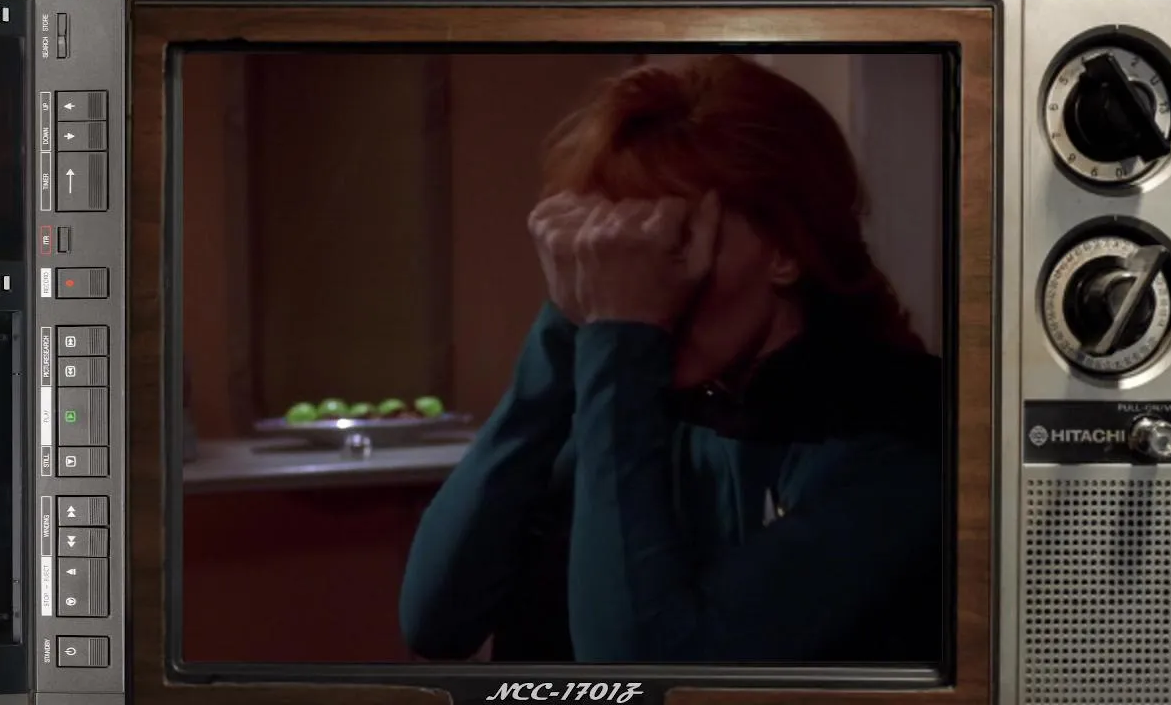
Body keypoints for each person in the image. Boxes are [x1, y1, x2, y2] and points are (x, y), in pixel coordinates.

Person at [399, 54, 944, 664]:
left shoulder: (900, 437)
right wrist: (567, 322)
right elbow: (438, 618)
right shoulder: (658, 397)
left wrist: (621, 340)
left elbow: (643, 675)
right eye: (615, 243)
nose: (639, 275)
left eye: (672, 240)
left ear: (785, 250)